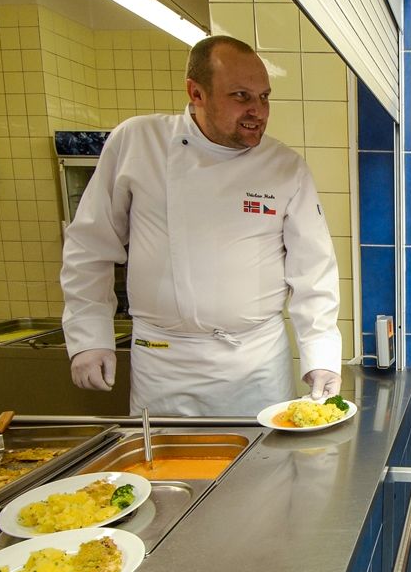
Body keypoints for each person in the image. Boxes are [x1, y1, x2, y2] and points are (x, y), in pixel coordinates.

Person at [60, 35, 342, 416]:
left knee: (265, 473)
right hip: (163, 363)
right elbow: (90, 245)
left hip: (254, 363)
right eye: (241, 96)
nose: (258, 110)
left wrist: (321, 354)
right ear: (196, 93)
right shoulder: (138, 142)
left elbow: (314, 270)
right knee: (162, 470)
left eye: (264, 97)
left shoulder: (285, 166)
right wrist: (90, 336)